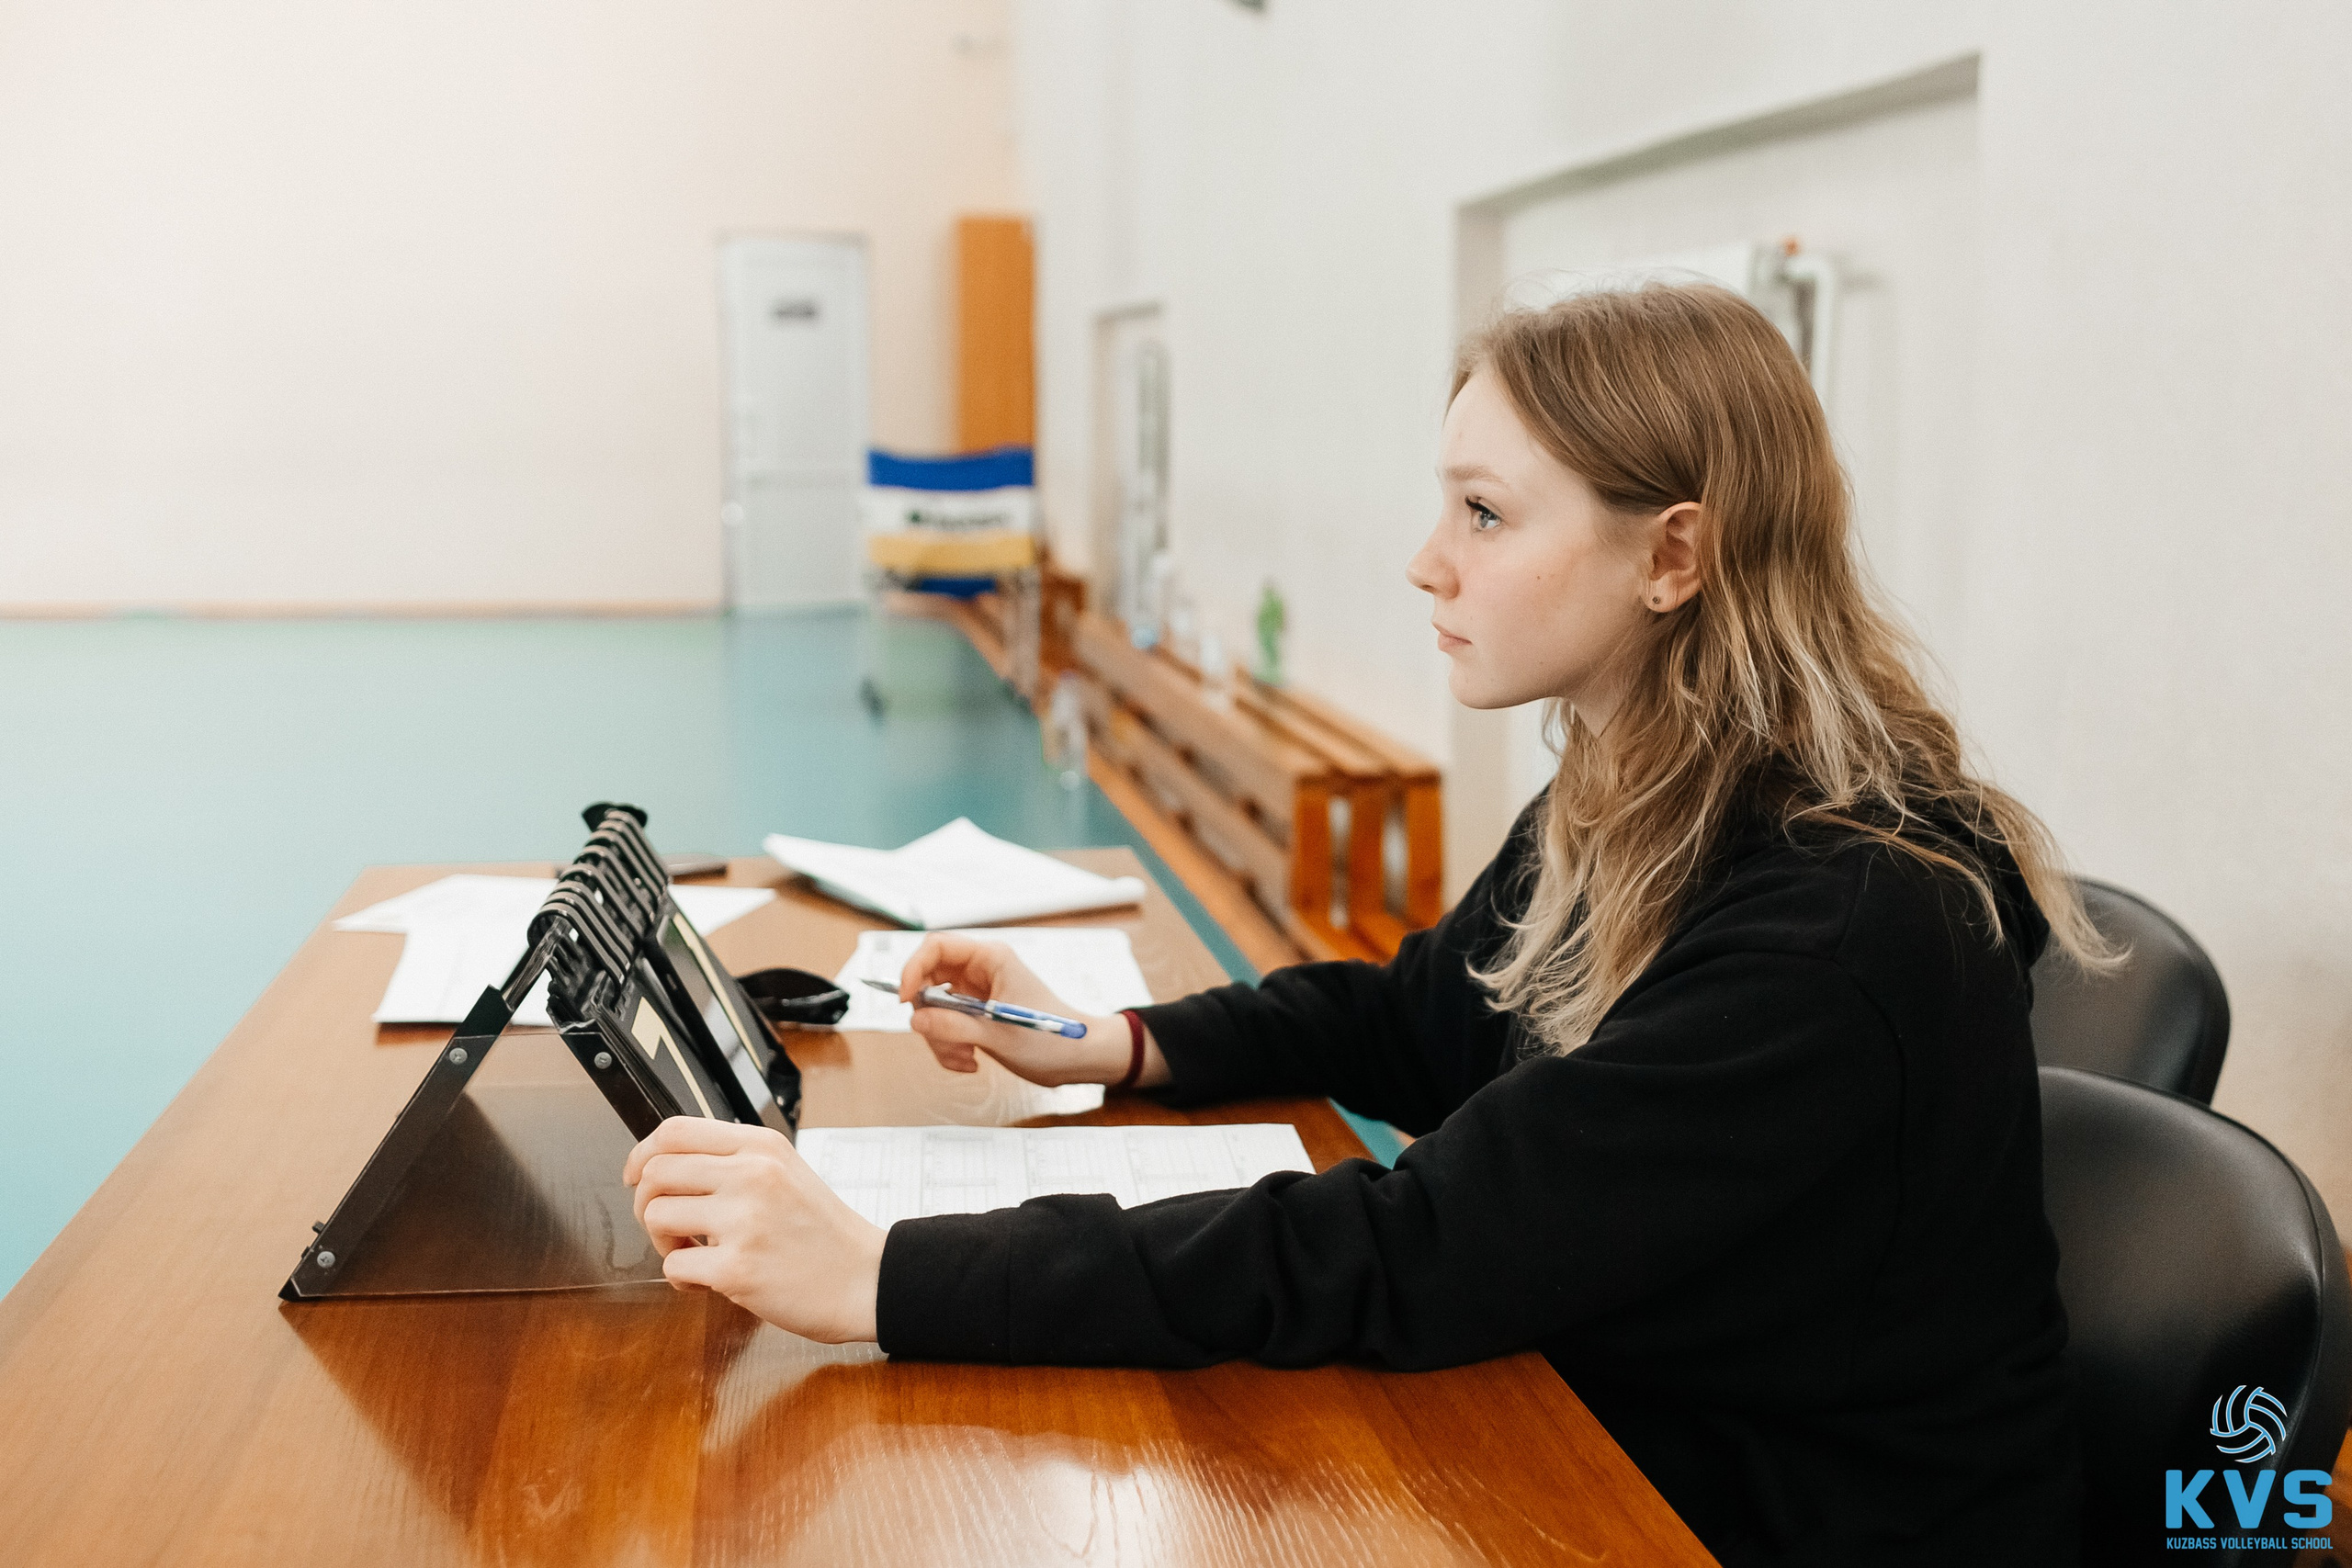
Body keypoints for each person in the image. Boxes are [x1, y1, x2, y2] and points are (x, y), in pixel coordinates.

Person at [623, 282, 2106, 1567]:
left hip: (1773, 1525)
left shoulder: (1836, 930)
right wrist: (1118, 1045)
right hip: (1638, 1425)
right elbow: (1422, 1011)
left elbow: (1425, 1242)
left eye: (1483, 514)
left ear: (1673, 557)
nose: (1426, 562)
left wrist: (885, 1274)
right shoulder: (1644, 784)